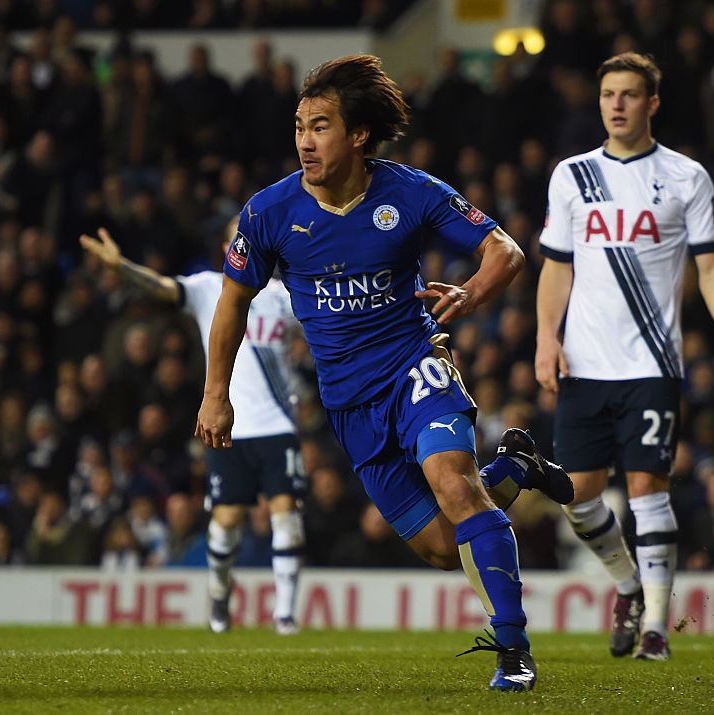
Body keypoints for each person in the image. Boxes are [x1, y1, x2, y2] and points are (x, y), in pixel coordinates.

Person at [194, 54, 572, 692]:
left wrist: (472, 294)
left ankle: (513, 649)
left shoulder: (411, 191)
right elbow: (232, 304)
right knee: (442, 547)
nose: (305, 142)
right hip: (350, 403)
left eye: (320, 127)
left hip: (415, 367)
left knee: (455, 485)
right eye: (299, 127)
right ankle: (513, 469)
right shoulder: (268, 212)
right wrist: (215, 394)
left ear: (358, 134)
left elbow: (504, 250)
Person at [534, 52, 714, 661]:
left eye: (630, 94)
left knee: (646, 491)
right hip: (584, 364)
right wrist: (546, 336)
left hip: (652, 364)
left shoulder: (686, 176)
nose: (617, 104)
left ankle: (656, 627)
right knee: (577, 497)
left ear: (652, 103)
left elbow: (713, 268)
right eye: (609, 93)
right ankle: (629, 586)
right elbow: (556, 267)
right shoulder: (572, 175)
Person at [80, 217, 308, 635]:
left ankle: (285, 615)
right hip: (229, 427)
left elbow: (331, 319)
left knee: (286, 517)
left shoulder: (284, 297)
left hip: (279, 424)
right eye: (239, 238)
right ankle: (220, 597)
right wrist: (121, 268)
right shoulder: (209, 289)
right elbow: (162, 287)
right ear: (227, 248)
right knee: (226, 523)